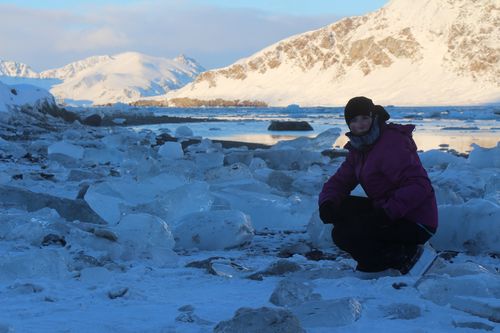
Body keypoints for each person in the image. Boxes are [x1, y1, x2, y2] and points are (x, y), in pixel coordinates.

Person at [318, 96, 438, 274]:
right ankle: (380, 257)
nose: (360, 124)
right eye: (354, 120)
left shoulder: (391, 143)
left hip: (415, 220)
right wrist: (327, 203)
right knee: (341, 208)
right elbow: (340, 181)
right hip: (389, 211)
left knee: (345, 234)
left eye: (364, 118)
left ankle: (404, 256)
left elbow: (419, 185)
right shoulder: (360, 148)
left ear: (374, 118)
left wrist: (387, 212)